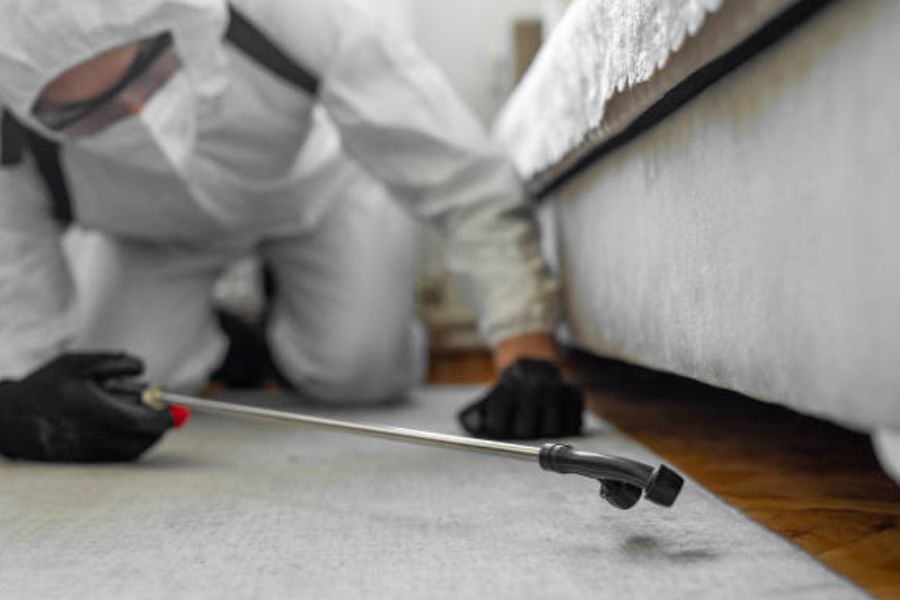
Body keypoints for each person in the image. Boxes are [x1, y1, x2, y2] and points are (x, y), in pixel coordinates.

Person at [0, 0, 583, 463]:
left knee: (361, 371)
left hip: (317, 195)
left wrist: (526, 345)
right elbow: (16, 308)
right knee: (120, 396)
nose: (136, 111)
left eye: (149, 67)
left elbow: (457, 174)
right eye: (88, 110)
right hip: (151, 240)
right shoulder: (9, 141)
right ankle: (237, 343)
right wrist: (20, 405)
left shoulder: (285, 13)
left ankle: (284, 313)